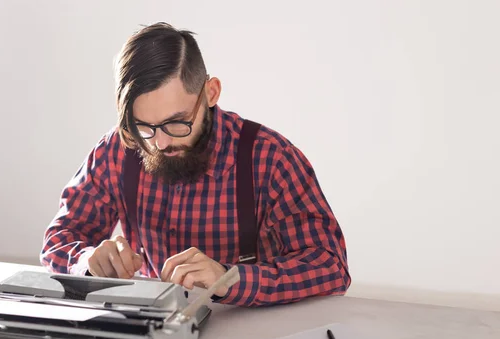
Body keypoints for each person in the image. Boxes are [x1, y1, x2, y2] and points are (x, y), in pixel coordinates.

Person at [40, 22, 350, 307]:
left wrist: (230, 279)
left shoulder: (270, 157)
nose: (159, 144)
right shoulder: (119, 149)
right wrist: (88, 261)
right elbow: (59, 239)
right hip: (154, 326)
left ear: (211, 93)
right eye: (144, 126)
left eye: (176, 123)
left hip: (247, 332)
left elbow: (331, 267)